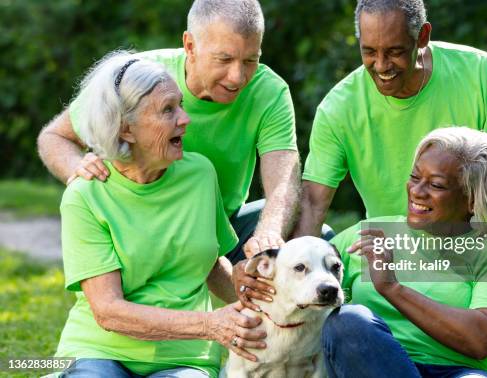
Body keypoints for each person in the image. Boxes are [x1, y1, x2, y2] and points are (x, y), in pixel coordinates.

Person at [295, 1, 487, 376]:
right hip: (394, 244)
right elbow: (313, 203)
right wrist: (295, 271)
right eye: (369, 52)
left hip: (469, 233)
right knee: (349, 322)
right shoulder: (340, 106)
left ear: (423, 37)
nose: (381, 66)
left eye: (396, 52)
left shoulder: (480, 73)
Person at [37, 0, 300, 267]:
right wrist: (77, 167)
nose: (237, 77)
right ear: (190, 46)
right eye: (224, 59)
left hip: (222, 225)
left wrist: (269, 232)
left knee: (307, 233)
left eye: (250, 60)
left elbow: (283, 182)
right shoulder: (141, 79)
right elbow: (55, 137)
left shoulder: (269, 91)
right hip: (145, 224)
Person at [54, 51, 266, 378]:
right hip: (99, 350)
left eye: (180, 105)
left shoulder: (200, 174)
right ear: (126, 129)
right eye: (168, 110)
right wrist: (212, 324)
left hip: (186, 359)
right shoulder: (86, 196)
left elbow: (209, 264)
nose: (185, 118)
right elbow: (108, 311)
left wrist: (250, 293)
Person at [324, 127, 487, 378]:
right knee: (348, 322)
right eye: (415, 177)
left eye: (436, 185)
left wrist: (393, 288)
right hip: (375, 368)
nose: (417, 191)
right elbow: (298, 279)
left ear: (473, 199)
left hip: (458, 372)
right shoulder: (372, 234)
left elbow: (481, 338)